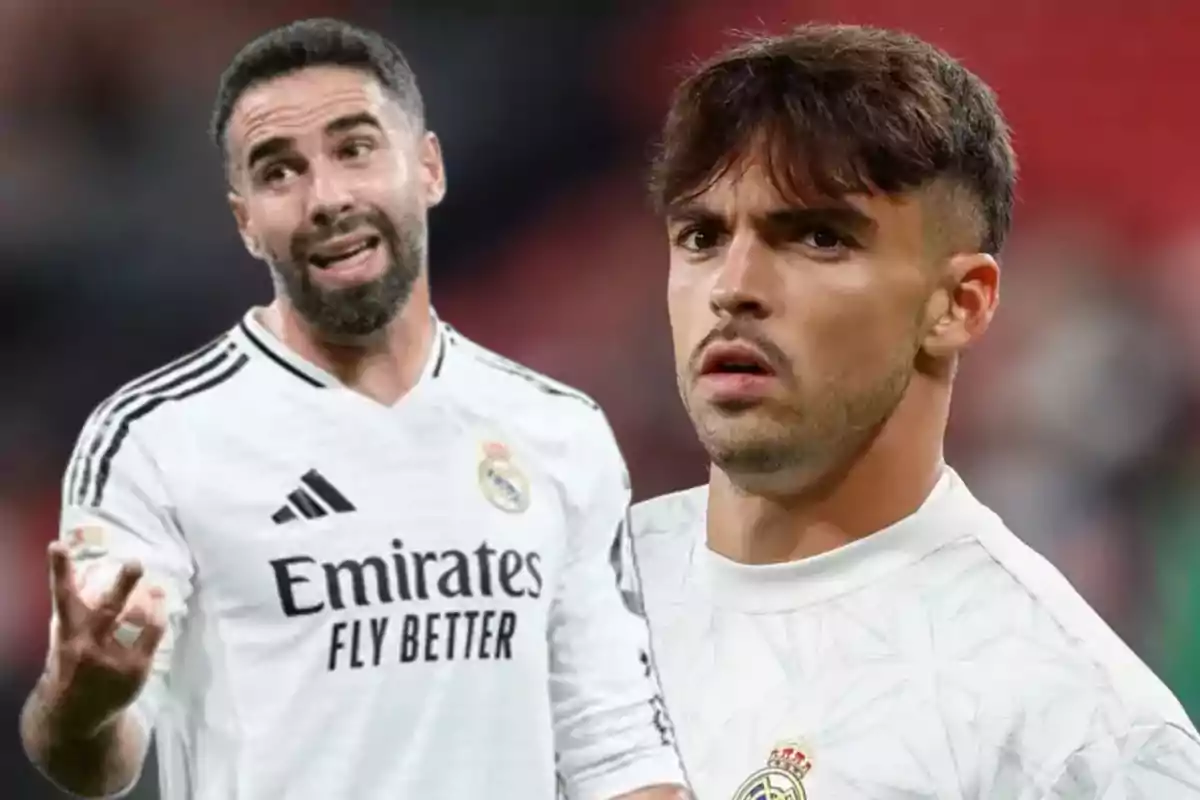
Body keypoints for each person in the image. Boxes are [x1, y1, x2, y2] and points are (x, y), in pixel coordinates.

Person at [19, 18, 689, 800]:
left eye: (356, 150)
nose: (326, 198)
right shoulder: (157, 440)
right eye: (278, 173)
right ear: (244, 219)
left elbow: (615, 742)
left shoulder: (557, 430)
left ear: (429, 169)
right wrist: (81, 708)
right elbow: (95, 761)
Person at [631, 22, 1200, 799]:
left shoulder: (1078, 736)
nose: (733, 286)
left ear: (960, 305)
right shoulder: (541, 601)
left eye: (819, 239)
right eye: (701, 236)